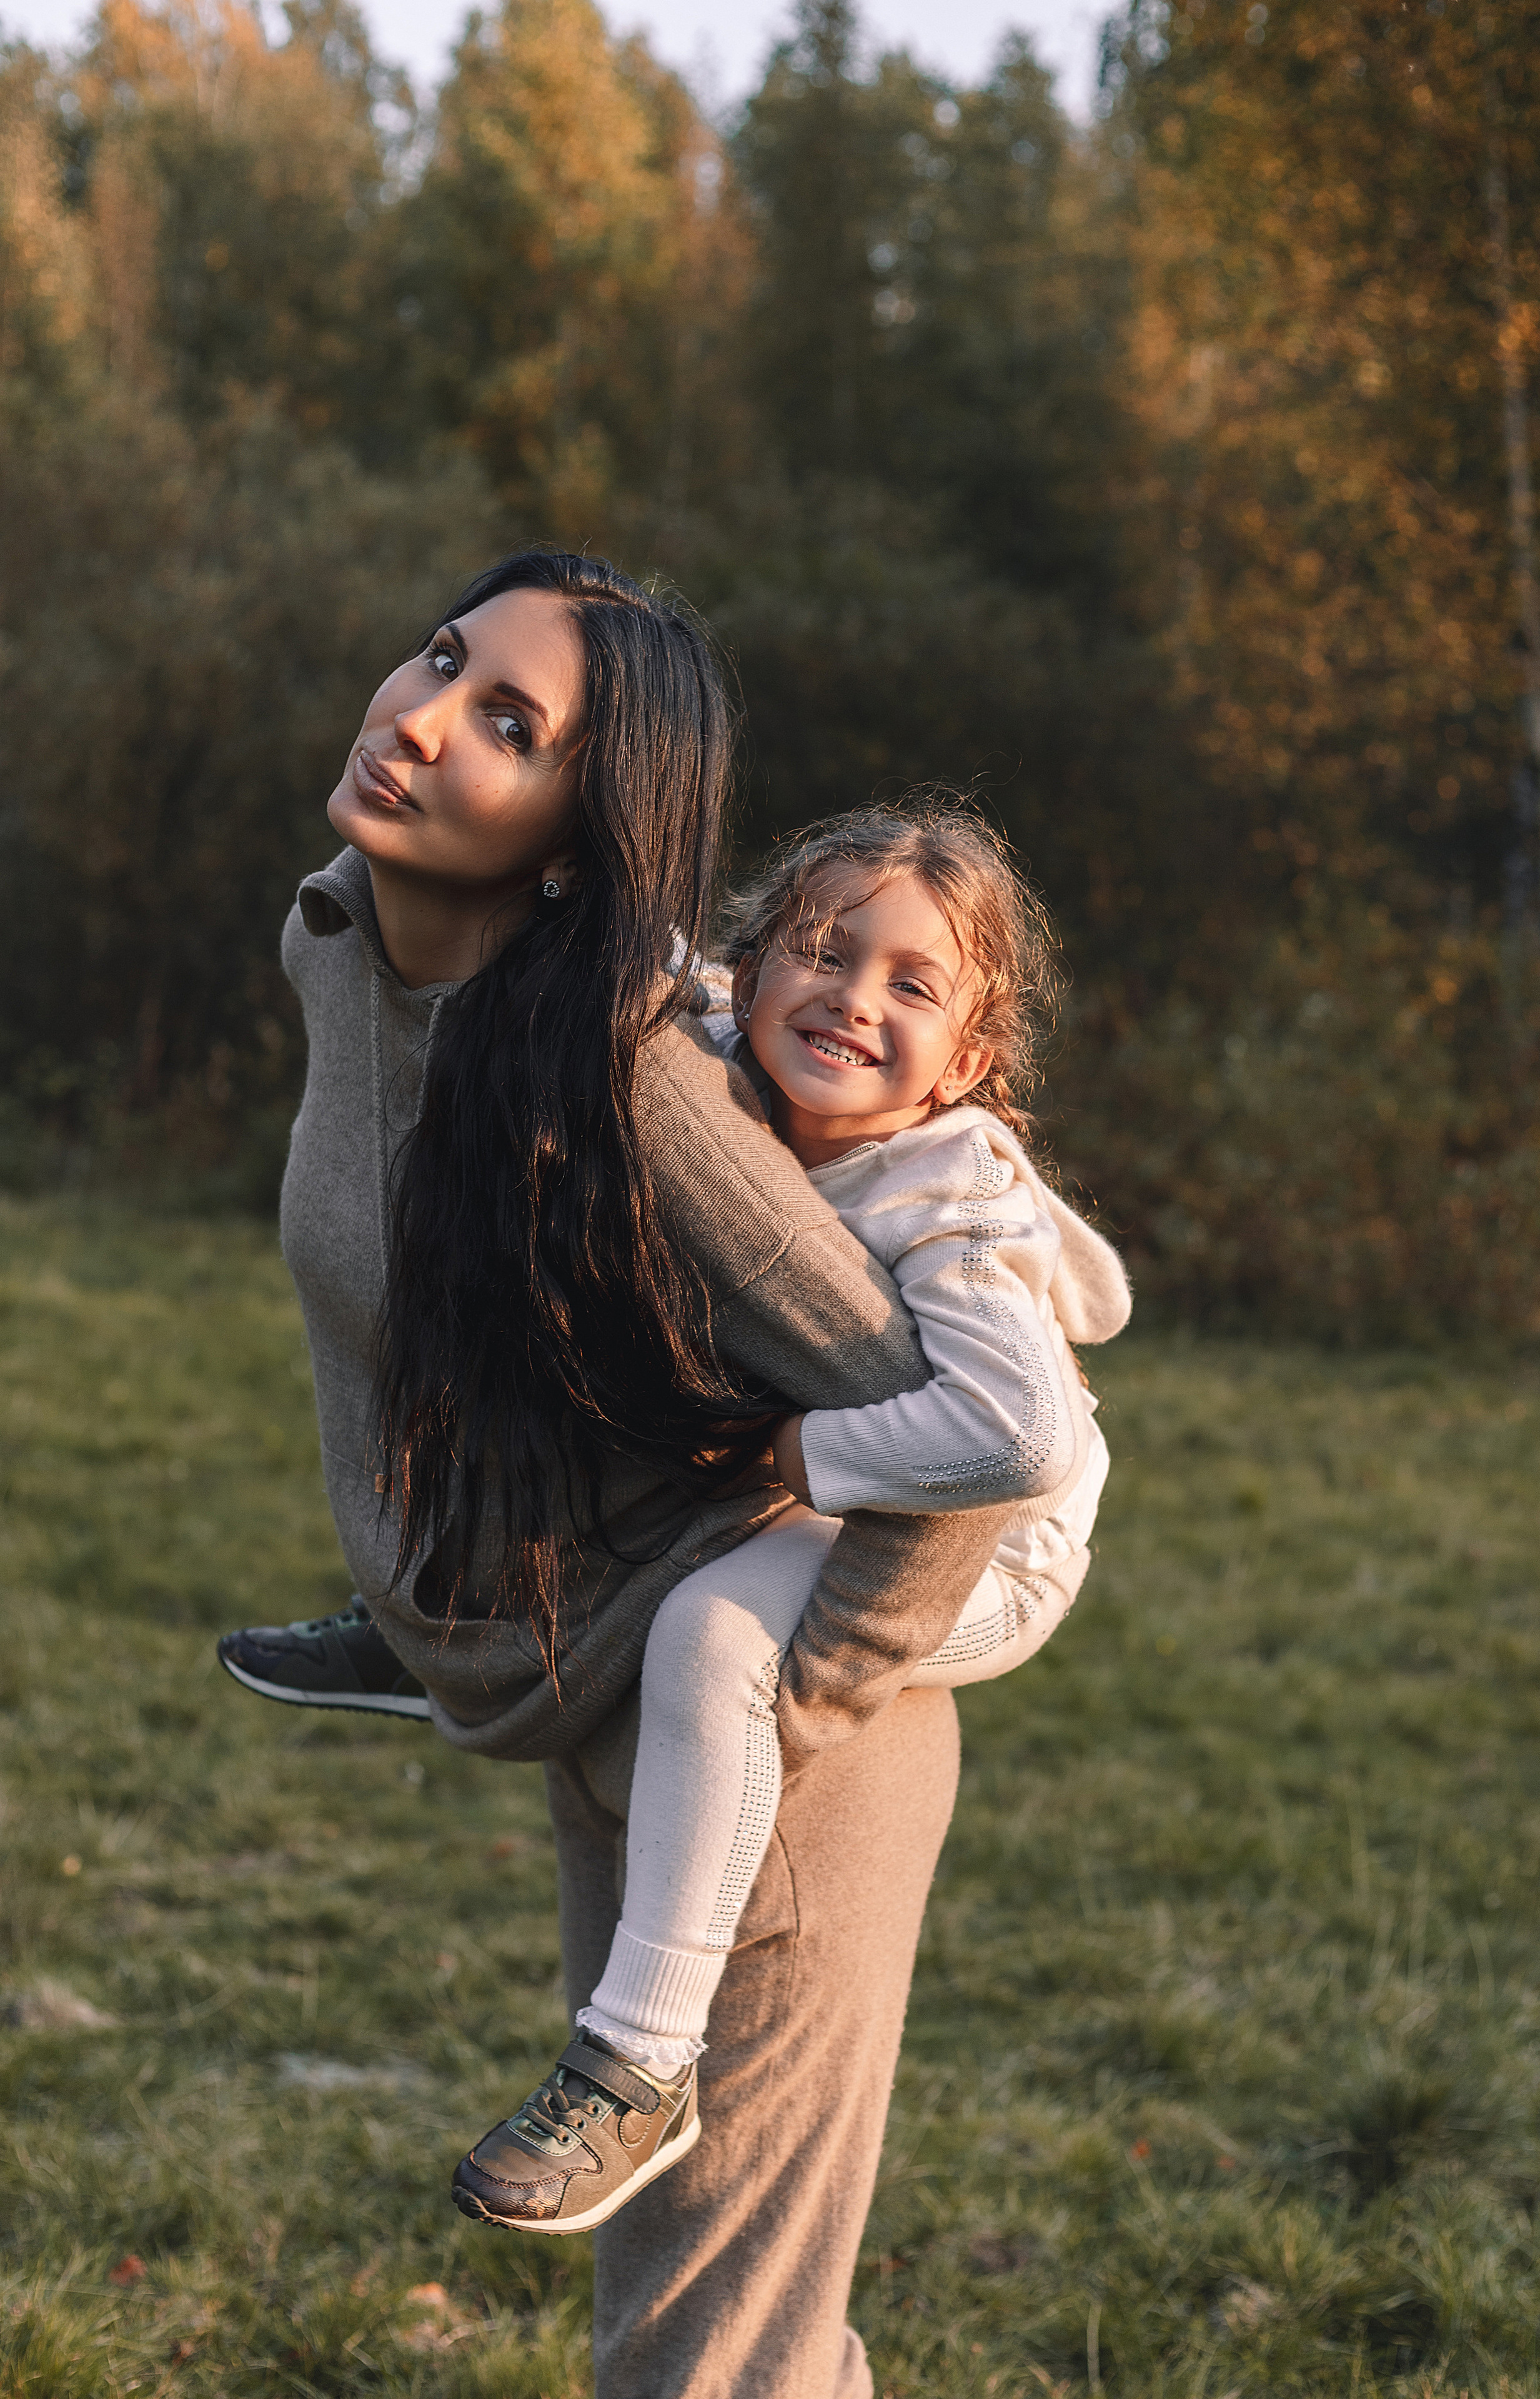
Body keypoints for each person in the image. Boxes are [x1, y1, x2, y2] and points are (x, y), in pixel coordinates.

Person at [220, 548, 1057, 2399]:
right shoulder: (346, 938)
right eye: (443, 659)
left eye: (508, 724)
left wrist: (819, 1680)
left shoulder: (638, 1085)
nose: (422, 718)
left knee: (709, 2364)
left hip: (780, 1722)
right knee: (733, 2343)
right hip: (596, 1662)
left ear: (581, 833)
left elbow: (978, 1444)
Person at [445, 802, 1130, 2238]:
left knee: (711, 1627)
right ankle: (441, 1618)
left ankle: (638, 2056)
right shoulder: (721, 1068)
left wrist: (802, 1449)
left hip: (995, 1552)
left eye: (910, 985)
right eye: (820, 951)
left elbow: (1017, 1437)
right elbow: (650, 967)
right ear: (750, 972)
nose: (852, 997)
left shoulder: (940, 1196)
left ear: (970, 1062)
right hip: (850, 1485)